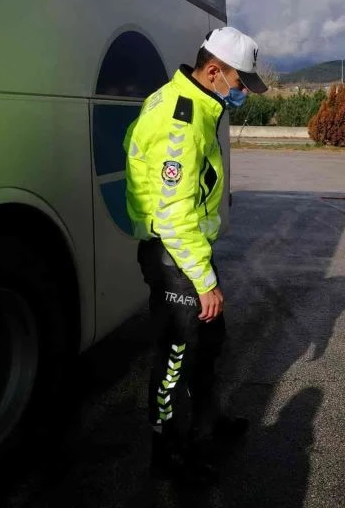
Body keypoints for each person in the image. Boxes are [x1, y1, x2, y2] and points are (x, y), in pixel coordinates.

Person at [123, 26, 267, 484]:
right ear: (213, 71)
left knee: (209, 344)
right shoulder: (181, 120)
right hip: (175, 260)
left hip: (189, 254)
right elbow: (171, 213)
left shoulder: (195, 106)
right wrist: (204, 282)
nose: (243, 91)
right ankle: (167, 452)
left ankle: (207, 422)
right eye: (240, 82)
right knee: (174, 359)